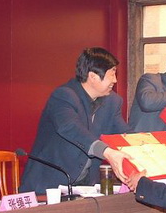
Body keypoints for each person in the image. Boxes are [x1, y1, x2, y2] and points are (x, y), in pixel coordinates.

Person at [18, 47, 131, 194]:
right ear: (93, 76)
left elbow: (123, 134)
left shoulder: (112, 102)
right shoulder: (63, 96)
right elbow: (71, 128)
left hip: (85, 186)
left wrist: (146, 146)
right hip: (48, 185)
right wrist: (107, 152)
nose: (115, 80)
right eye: (112, 74)